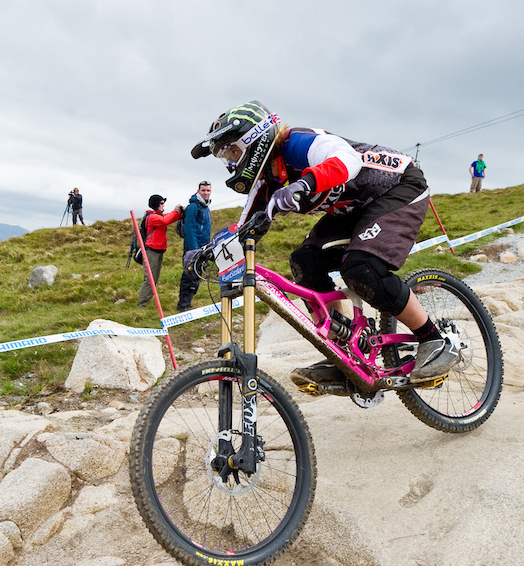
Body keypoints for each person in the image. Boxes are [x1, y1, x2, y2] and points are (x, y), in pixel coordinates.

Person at [189, 100, 458, 383]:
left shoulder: (296, 144)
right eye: (225, 156)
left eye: (232, 151)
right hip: (354, 208)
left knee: (361, 267)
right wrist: (206, 252)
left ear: (252, 139)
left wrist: (305, 183)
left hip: (398, 187)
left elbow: (348, 160)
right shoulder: (267, 181)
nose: (230, 162)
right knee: (304, 262)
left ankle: (435, 340)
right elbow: (244, 230)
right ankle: (345, 354)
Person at [137, 195, 183, 307]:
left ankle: (144, 303)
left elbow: (169, 218)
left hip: (157, 252)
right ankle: (141, 305)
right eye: (162, 203)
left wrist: (180, 212)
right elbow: (166, 220)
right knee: (150, 280)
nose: (163, 205)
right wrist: (176, 210)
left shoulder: (156, 216)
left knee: (154, 279)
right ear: (156, 204)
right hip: (151, 252)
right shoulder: (152, 217)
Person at [176, 181, 213, 311]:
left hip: (203, 246)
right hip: (194, 248)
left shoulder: (205, 206)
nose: (206, 193)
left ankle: (188, 302)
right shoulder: (193, 207)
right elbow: (190, 228)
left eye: (208, 190)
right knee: (190, 276)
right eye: (203, 190)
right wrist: (194, 249)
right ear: (198, 191)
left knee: (197, 275)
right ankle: (183, 305)